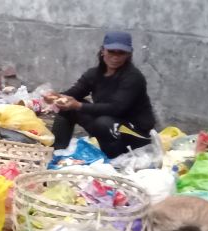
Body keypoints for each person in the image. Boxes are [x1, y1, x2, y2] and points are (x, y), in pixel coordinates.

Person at [48, 31, 157, 159]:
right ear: (103, 51)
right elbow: (74, 93)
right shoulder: (94, 74)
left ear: (129, 54)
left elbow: (116, 108)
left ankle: (112, 160)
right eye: (111, 52)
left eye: (121, 53)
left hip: (135, 133)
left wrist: (78, 105)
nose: (115, 57)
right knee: (67, 110)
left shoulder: (133, 77)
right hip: (109, 125)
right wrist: (56, 97)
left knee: (103, 122)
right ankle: (56, 153)